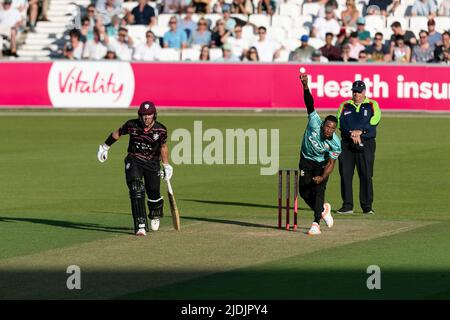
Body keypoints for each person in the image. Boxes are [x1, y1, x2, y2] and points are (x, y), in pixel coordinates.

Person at [97, 102, 173, 236]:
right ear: (139, 115)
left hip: (152, 163)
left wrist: (166, 165)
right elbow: (118, 133)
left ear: (154, 115)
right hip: (134, 159)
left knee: (153, 192)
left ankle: (155, 214)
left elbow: (163, 147)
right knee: (136, 188)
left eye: (149, 115)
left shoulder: (161, 130)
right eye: (144, 115)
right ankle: (141, 224)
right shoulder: (132, 125)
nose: (146, 118)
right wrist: (105, 147)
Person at [298, 73, 341, 235]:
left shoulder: (335, 142)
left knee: (318, 190)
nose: (329, 131)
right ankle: (323, 209)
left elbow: (331, 163)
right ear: (323, 124)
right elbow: (309, 103)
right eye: (328, 127)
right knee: (303, 191)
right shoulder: (315, 122)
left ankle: (316, 223)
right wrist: (305, 86)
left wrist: (322, 177)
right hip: (306, 159)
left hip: (321, 164)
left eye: (332, 129)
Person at [336, 80, 381, 215]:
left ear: (364, 92)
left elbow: (374, 121)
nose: (356, 94)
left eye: (359, 92)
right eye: (354, 91)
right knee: (345, 174)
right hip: (347, 143)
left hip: (366, 143)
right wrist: (352, 133)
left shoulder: (372, 104)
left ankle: (367, 207)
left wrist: (360, 131)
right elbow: (340, 123)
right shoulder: (345, 105)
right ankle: (347, 205)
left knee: (366, 174)